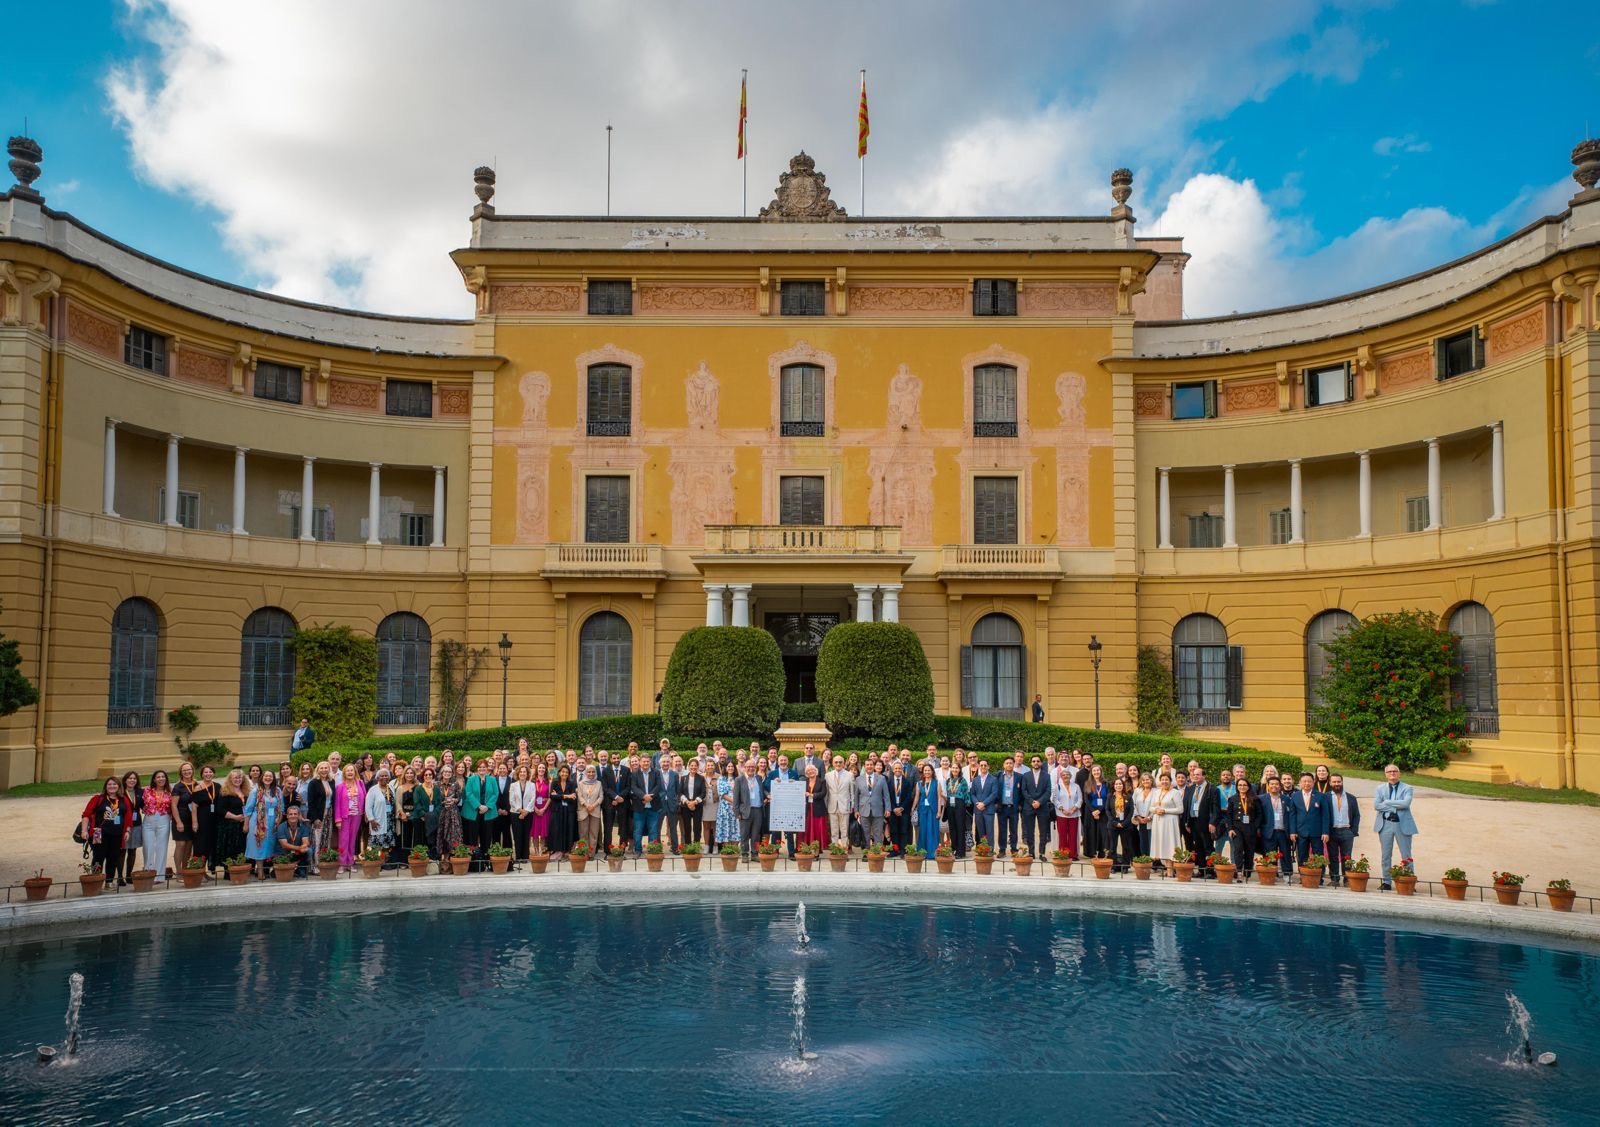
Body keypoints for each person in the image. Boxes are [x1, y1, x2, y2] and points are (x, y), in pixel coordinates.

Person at [1372, 763, 1418, 890]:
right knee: (1386, 854)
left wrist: (1386, 802)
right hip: (1385, 823)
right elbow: (1376, 805)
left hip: (1402, 824)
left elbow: (1406, 803)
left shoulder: (1408, 788)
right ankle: (1387, 882)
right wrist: (1395, 806)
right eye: (1389, 772)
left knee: (1406, 854)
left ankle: (1408, 880)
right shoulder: (1380, 788)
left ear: (1399, 773)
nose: (1392, 773)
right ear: (1386, 774)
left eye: (1395, 771)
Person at [79, 777, 132, 885]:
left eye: (114, 784)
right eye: (109, 784)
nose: (112, 786)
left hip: (117, 834)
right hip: (99, 834)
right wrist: (84, 830)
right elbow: (86, 815)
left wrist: (127, 831)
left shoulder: (123, 800)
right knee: (98, 857)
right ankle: (95, 881)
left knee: (113, 858)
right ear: (106, 786)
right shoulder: (98, 799)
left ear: (119, 786)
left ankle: (109, 882)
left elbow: (128, 816)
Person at [243, 771, 283, 879]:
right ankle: (260, 871)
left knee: (269, 846)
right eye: (266, 776)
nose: (268, 778)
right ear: (262, 777)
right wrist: (246, 825)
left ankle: (266, 869)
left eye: (270, 776)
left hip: (272, 822)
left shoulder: (278, 791)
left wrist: (277, 822)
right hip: (257, 822)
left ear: (273, 778)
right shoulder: (255, 791)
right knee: (258, 846)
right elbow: (248, 810)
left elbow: (281, 809)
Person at [1288, 772, 1329, 874]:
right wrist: (1292, 831)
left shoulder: (1320, 796)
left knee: (1318, 855)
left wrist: (1325, 832)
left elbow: (1325, 815)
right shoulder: (1295, 796)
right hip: (1301, 832)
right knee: (1302, 855)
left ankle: (1319, 877)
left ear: (1313, 782)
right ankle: (1303, 875)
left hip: (1317, 832)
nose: (1306, 783)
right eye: (1304, 781)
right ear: (1300, 783)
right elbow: (1292, 815)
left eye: (1309, 781)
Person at [1182, 767, 1220, 876]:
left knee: (1208, 847)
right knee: (1198, 847)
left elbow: (1215, 808)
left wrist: (1213, 822)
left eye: (1198, 774)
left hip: (1206, 822)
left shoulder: (1212, 789)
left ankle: (1210, 871)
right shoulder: (1190, 788)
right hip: (1194, 822)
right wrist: (1187, 822)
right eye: (1193, 775)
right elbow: (1187, 805)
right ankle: (1201, 869)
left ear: (1204, 776)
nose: (1195, 776)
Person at [1325, 774, 1360, 886]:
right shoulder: (1325, 797)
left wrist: (1353, 831)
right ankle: (1334, 879)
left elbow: (1356, 815)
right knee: (1333, 856)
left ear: (1342, 782)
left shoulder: (1351, 798)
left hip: (1346, 831)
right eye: (1334, 782)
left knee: (1347, 856)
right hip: (1332, 831)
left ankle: (1347, 879)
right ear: (1330, 783)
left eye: (1338, 781)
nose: (1336, 784)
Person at [141, 769, 174, 880]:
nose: (161, 779)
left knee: (161, 847)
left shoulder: (170, 792)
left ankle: (159, 876)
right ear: (154, 779)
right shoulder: (147, 791)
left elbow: (174, 807)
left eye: (163, 777)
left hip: (164, 820)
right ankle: (148, 872)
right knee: (148, 847)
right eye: (158, 777)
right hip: (149, 820)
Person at [463, 761, 498, 864]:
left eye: (484, 767)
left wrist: (487, 806)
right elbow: (468, 793)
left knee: (486, 837)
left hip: (488, 812)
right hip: (473, 812)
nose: (482, 769)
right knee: (473, 837)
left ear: (487, 768)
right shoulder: (471, 779)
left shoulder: (492, 779)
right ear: (477, 769)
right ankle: (474, 859)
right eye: (480, 767)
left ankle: (485, 859)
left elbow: (495, 794)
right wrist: (479, 806)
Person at [629, 754, 664, 855]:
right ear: (640, 762)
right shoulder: (634, 774)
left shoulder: (656, 773)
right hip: (639, 807)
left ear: (650, 762)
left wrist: (650, 797)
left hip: (653, 807)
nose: (645, 763)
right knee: (638, 830)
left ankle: (652, 850)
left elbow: (658, 786)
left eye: (647, 761)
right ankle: (638, 850)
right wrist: (643, 797)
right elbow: (634, 788)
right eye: (643, 761)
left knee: (653, 830)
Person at [333, 764, 365, 872]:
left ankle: (351, 863)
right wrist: (338, 819)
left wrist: (364, 813)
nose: (350, 772)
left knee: (353, 840)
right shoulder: (340, 786)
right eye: (348, 771)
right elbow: (337, 804)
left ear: (355, 772)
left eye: (352, 770)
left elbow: (364, 798)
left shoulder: (360, 784)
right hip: (344, 816)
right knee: (343, 840)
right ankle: (342, 863)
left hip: (357, 815)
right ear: (344, 773)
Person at [305, 762, 336, 874]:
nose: (324, 770)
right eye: (321, 768)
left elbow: (333, 799)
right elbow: (311, 802)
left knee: (326, 839)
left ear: (329, 769)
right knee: (316, 840)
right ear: (318, 770)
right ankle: (314, 866)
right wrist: (315, 818)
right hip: (318, 815)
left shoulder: (331, 781)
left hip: (329, 814)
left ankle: (324, 863)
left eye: (326, 768)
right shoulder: (313, 783)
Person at [189, 764, 221, 873]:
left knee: (211, 845)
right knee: (201, 845)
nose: (208, 774)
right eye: (205, 772)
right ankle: (198, 871)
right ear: (202, 774)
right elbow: (194, 807)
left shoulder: (218, 786)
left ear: (213, 773)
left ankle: (207, 870)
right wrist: (194, 822)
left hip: (215, 821)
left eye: (210, 772)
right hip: (202, 820)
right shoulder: (198, 788)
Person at [1226, 778, 1260, 875]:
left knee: (1249, 850)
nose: (1242, 787)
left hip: (1250, 828)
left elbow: (1259, 814)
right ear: (1237, 787)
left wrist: (1255, 827)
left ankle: (1248, 871)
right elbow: (1229, 815)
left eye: (1244, 785)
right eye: (1240, 785)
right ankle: (1239, 871)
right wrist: (1230, 829)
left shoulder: (1255, 798)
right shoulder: (1232, 799)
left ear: (1248, 786)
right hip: (1237, 828)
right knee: (1238, 848)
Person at [1149, 773, 1183, 869]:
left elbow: (1180, 809)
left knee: (1170, 844)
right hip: (1158, 822)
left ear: (1170, 781)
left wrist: (1165, 810)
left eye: (1166, 780)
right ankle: (1167, 868)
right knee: (1161, 844)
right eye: (1162, 780)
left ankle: (1171, 870)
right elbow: (1151, 807)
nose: (1164, 781)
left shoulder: (1175, 792)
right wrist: (1156, 810)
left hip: (1170, 822)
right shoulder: (1156, 792)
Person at [1260, 776, 1293, 875]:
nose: (1274, 786)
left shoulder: (1287, 799)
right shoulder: (1262, 799)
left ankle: (1287, 874)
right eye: (1272, 784)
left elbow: (1291, 815)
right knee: (1270, 854)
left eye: (1277, 784)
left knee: (1286, 854)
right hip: (1269, 832)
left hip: (1283, 831)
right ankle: (1270, 874)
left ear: (1280, 786)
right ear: (1268, 786)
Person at [854, 759, 889, 852]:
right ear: (864, 767)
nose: (869, 766)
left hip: (878, 810)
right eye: (867, 765)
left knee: (878, 832)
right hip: (863, 810)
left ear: (874, 766)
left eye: (871, 765)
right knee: (865, 833)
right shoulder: (858, 779)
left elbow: (886, 795)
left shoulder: (881, 778)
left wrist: (888, 809)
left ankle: (877, 852)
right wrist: (856, 810)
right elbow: (856, 796)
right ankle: (866, 852)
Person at [1020, 754, 1051, 856]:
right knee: (1029, 831)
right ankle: (1031, 852)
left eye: (1038, 761)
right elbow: (1023, 791)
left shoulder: (1047, 776)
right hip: (1029, 807)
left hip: (1043, 807)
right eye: (1034, 761)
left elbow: (1048, 791)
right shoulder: (1025, 776)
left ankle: (1042, 853)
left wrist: (1039, 802)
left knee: (1043, 832)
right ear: (1031, 763)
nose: (1036, 763)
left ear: (1041, 763)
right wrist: (1032, 802)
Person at [216, 770, 248, 867]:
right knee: (230, 849)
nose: (238, 780)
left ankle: (241, 869)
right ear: (230, 779)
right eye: (235, 778)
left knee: (241, 848)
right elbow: (220, 809)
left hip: (243, 825)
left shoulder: (246, 791)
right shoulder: (225, 792)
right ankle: (229, 872)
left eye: (240, 778)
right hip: (229, 826)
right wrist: (235, 817)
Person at [1051, 760, 1083, 859]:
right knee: (1063, 836)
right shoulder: (1057, 787)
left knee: (1073, 835)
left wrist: (1073, 809)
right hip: (1061, 814)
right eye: (1063, 775)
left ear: (1071, 777)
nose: (1066, 776)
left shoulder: (1076, 786)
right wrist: (1063, 809)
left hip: (1074, 814)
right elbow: (1054, 799)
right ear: (1061, 777)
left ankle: (1073, 854)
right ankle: (1063, 854)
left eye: (1067, 775)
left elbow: (1080, 799)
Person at [366, 768, 397, 864]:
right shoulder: (373, 790)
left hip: (390, 821)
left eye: (386, 775)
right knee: (376, 844)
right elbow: (368, 806)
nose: (384, 777)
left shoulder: (391, 788)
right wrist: (371, 820)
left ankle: (384, 862)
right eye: (382, 776)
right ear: (377, 778)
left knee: (387, 844)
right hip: (377, 820)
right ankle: (374, 863)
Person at [733, 762, 764, 859]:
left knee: (756, 834)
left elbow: (761, 792)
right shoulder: (739, 780)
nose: (751, 768)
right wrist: (737, 812)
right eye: (748, 767)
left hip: (758, 810)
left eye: (753, 767)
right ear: (745, 768)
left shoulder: (758, 778)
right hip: (745, 811)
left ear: (755, 768)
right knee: (744, 834)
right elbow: (736, 798)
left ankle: (754, 853)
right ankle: (745, 854)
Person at [549, 764, 579, 860]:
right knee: (557, 830)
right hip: (557, 811)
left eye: (566, 772)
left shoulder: (573, 783)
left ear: (569, 773)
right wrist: (566, 796)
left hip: (569, 811)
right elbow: (552, 796)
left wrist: (559, 795)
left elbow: (574, 797)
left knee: (569, 830)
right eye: (563, 771)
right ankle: (558, 851)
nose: (564, 773)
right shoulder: (554, 782)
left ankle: (567, 851)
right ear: (559, 772)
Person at [886, 761, 915, 856]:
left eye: (899, 768)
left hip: (904, 810)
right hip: (893, 810)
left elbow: (908, 797)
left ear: (902, 770)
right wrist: (894, 808)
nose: (898, 770)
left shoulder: (907, 782)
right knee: (894, 831)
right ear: (893, 770)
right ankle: (895, 850)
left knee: (904, 831)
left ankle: (903, 850)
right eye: (896, 768)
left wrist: (901, 808)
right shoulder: (888, 781)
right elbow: (887, 797)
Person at [412, 766, 442, 861]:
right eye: (426, 775)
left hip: (433, 818)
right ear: (423, 776)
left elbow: (439, 803)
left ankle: (432, 858)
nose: (428, 776)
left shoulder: (436, 789)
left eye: (430, 774)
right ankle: (421, 859)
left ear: (433, 776)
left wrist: (433, 815)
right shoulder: (418, 789)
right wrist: (423, 815)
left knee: (433, 838)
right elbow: (417, 803)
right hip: (421, 818)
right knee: (421, 839)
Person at [275, 804, 313, 876]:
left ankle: (300, 868)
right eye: (291, 814)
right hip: (284, 853)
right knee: (282, 874)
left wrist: (304, 846)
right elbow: (284, 845)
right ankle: (289, 869)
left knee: (309, 850)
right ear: (287, 816)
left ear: (299, 816)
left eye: (295, 814)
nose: (293, 816)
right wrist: (299, 848)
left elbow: (306, 841)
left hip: (297, 853)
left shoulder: (304, 827)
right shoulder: (281, 827)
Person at [1110, 777, 1138, 872]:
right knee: (1112, 847)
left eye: (1120, 784)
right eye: (1116, 784)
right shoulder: (1110, 796)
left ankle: (1125, 866)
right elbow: (1107, 810)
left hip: (1125, 825)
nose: (1118, 785)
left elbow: (1131, 811)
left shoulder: (1128, 797)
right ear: (1114, 786)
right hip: (1113, 825)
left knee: (1126, 846)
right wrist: (1115, 822)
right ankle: (1113, 866)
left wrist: (1124, 823)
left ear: (1123, 785)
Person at [437, 765, 465, 863]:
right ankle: (440, 859)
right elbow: (434, 799)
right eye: (445, 771)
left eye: (449, 772)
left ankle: (449, 858)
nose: (447, 773)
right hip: (441, 813)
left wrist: (454, 800)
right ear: (442, 772)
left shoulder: (455, 784)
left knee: (453, 834)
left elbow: (459, 798)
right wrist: (442, 802)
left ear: (452, 773)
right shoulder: (437, 784)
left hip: (453, 813)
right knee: (441, 834)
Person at [913, 763, 943, 853]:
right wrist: (912, 809)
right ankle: (922, 851)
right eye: (925, 770)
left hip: (933, 810)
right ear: (922, 772)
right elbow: (917, 797)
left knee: (933, 831)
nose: (927, 772)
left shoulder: (937, 783)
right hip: (922, 810)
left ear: (932, 771)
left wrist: (939, 811)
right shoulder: (919, 783)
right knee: (923, 831)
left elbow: (939, 797)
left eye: (928, 770)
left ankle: (932, 852)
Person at [1082, 766, 1110, 860]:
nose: (1096, 772)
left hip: (1104, 811)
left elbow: (1108, 798)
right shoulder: (1088, 783)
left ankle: (1103, 853)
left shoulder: (1106, 783)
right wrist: (1093, 811)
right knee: (1092, 832)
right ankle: (1092, 853)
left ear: (1101, 771)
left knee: (1103, 833)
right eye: (1094, 770)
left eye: (1098, 770)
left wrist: (1100, 810)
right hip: (1091, 812)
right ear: (1091, 773)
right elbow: (1086, 799)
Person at [508, 765, 535, 863]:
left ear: (527, 774)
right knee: (517, 836)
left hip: (528, 814)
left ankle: (525, 857)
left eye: (524, 772)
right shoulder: (513, 785)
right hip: (515, 813)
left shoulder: (532, 785)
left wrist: (525, 811)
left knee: (526, 836)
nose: (523, 773)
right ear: (517, 774)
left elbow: (533, 799)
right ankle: (518, 857)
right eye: (521, 772)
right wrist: (520, 810)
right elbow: (511, 800)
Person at [994, 757, 1021, 855]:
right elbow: (994, 790)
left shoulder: (1019, 777)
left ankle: (1014, 848)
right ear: (1003, 765)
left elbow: (1021, 792)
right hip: (1002, 807)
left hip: (1014, 807)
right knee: (1002, 829)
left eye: (1011, 763)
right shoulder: (998, 776)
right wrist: (996, 804)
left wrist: (1020, 805)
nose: (1009, 765)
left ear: (1013, 764)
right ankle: (1002, 849)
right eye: (1007, 763)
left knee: (1014, 829)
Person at [826, 755, 854, 845]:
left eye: (840, 762)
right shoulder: (827, 775)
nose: (838, 764)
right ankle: (835, 850)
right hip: (832, 806)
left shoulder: (850, 775)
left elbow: (852, 793)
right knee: (834, 831)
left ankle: (844, 851)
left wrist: (852, 805)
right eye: (836, 762)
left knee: (844, 831)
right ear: (833, 763)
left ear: (844, 763)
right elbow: (826, 793)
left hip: (844, 806)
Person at [943, 766, 971, 859]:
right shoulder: (948, 781)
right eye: (953, 768)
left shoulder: (963, 781)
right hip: (950, 805)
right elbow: (947, 793)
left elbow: (966, 794)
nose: (955, 770)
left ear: (960, 770)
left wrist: (966, 804)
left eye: (957, 768)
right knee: (952, 828)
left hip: (960, 804)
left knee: (960, 828)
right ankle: (954, 849)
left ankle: (961, 852)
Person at [969, 759, 997, 849]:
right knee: (980, 831)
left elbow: (994, 794)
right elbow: (972, 793)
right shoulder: (975, 780)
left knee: (989, 831)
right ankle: (982, 850)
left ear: (988, 766)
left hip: (988, 809)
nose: (983, 767)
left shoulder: (993, 779)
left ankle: (990, 850)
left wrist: (984, 803)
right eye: (981, 765)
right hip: (978, 810)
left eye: (985, 765)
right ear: (979, 767)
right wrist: (977, 803)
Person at [679, 758, 707, 849]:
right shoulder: (683, 778)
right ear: (688, 767)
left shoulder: (701, 778)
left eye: (695, 766)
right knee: (687, 827)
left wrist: (694, 802)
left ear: (698, 767)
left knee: (697, 828)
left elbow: (703, 793)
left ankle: (696, 846)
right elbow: (680, 793)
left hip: (697, 805)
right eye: (692, 766)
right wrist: (687, 802)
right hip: (685, 805)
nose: (693, 767)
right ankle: (688, 847)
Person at [577, 765, 604, 853]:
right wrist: (586, 805)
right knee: (583, 833)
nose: (591, 774)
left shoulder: (599, 783)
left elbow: (601, 797)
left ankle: (591, 853)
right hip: (583, 811)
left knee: (594, 834)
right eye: (589, 772)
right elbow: (579, 796)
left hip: (595, 810)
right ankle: (583, 852)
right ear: (585, 773)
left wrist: (593, 805)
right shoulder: (581, 783)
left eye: (593, 772)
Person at [802, 764, 830, 850]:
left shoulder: (822, 781)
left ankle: (817, 850)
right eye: (808, 771)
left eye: (812, 770)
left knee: (817, 829)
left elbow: (823, 793)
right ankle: (807, 848)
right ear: (806, 773)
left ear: (816, 771)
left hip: (818, 808)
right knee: (807, 829)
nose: (811, 771)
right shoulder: (804, 781)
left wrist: (811, 795)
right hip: (807, 809)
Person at [715, 761, 741, 849]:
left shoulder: (738, 779)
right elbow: (722, 793)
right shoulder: (721, 779)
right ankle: (727, 850)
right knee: (726, 828)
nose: (730, 768)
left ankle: (734, 849)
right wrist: (735, 802)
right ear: (725, 768)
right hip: (725, 808)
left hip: (736, 809)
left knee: (735, 827)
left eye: (732, 766)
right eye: (728, 766)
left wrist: (737, 804)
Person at [660, 757, 683, 852]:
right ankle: (657, 849)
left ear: (670, 763)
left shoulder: (674, 774)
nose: (665, 763)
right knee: (657, 828)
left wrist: (677, 802)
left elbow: (678, 791)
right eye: (663, 762)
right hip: (660, 804)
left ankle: (675, 848)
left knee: (673, 828)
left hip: (672, 804)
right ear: (660, 763)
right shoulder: (656, 773)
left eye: (667, 762)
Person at [1131, 772, 1155, 860]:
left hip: (1152, 820)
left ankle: (1154, 862)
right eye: (1143, 780)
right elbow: (1132, 804)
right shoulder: (1137, 791)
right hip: (1140, 820)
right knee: (1143, 842)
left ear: (1151, 780)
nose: (1145, 781)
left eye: (1147, 779)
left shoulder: (1156, 791)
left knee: (1152, 842)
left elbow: (1158, 805)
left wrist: (1150, 817)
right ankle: (1145, 861)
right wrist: (1137, 816)